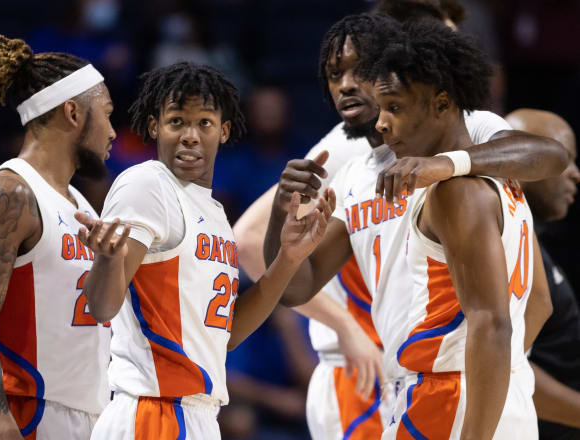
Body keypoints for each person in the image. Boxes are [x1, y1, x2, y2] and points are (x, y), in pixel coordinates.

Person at [236, 12, 568, 440]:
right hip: (418, 390)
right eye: (335, 74)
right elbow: (300, 285)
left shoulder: (472, 148)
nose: (352, 88)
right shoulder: (356, 170)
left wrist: (444, 165)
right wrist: (282, 219)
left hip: (454, 387)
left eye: (366, 76)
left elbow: (550, 158)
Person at [73, 62, 335, 439]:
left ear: (224, 131)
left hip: (197, 414)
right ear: (153, 127)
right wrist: (107, 261)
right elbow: (102, 307)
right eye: (177, 121)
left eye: (204, 123)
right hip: (152, 412)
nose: (190, 136)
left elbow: (225, 335)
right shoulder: (147, 184)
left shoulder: (213, 213)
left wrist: (288, 259)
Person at [364, 21, 549, 439]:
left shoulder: (456, 192)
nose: (380, 123)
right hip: (504, 394)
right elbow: (538, 303)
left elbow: (490, 323)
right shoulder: (504, 178)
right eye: (379, 109)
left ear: (442, 104)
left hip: (451, 401)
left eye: (394, 107)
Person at [0, 35, 114, 440]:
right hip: (24, 416)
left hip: (86, 418)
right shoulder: (9, 194)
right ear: (73, 113)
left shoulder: (80, 203)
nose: (113, 132)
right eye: (108, 115)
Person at [506, 108, 580, 439]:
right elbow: (503, 364)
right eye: (566, 158)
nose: (575, 174)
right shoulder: (501, 246)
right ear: (523, 162)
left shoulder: (531, 240)